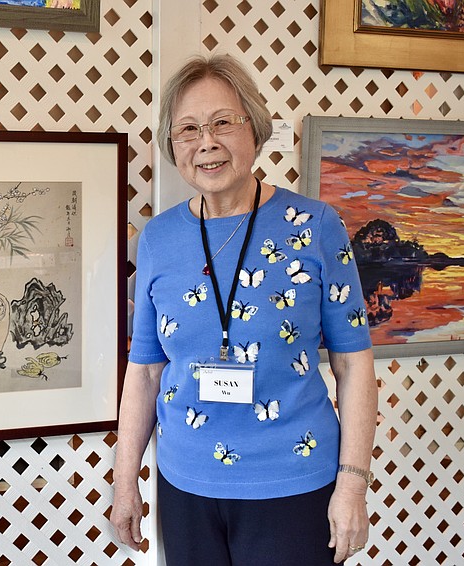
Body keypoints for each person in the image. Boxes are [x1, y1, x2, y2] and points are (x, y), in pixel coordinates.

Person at [110, 53, 378, 565]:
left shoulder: (316, 227)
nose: (205, 142)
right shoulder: (159, 239)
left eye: (221, 123)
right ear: (172, 145)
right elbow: (143, 372)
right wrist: (126, 482)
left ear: (254, 128)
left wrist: (352, 485)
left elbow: (353, 364)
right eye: (187, 129)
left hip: (295, 485)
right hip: (185, 486)